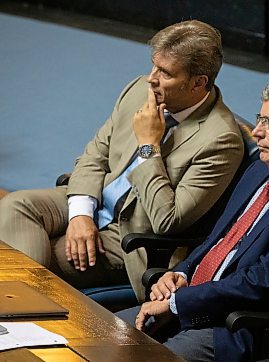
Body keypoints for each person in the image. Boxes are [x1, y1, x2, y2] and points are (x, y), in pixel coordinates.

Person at [0, 20, 244, 301]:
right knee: (15, 206)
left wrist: (148, 146)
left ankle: (23, 314)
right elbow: (95, 153)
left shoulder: (221, 141)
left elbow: (168, 221)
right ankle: (24, 310)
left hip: (130, 233)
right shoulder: (140, 90)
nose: (152, 78)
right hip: (97, 198)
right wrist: (81, 214)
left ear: (198, 82)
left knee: (25, 256)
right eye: (154, 65)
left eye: (165, 73)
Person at [116, 75, 269, 361]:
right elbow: (217, 241)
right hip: (192, 299)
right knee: (95, 336)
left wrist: (180, 303)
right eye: (259, 119)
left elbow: (262, 283)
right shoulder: (259, 170)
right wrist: (180, 273)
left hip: (231, 326)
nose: (257, 132)